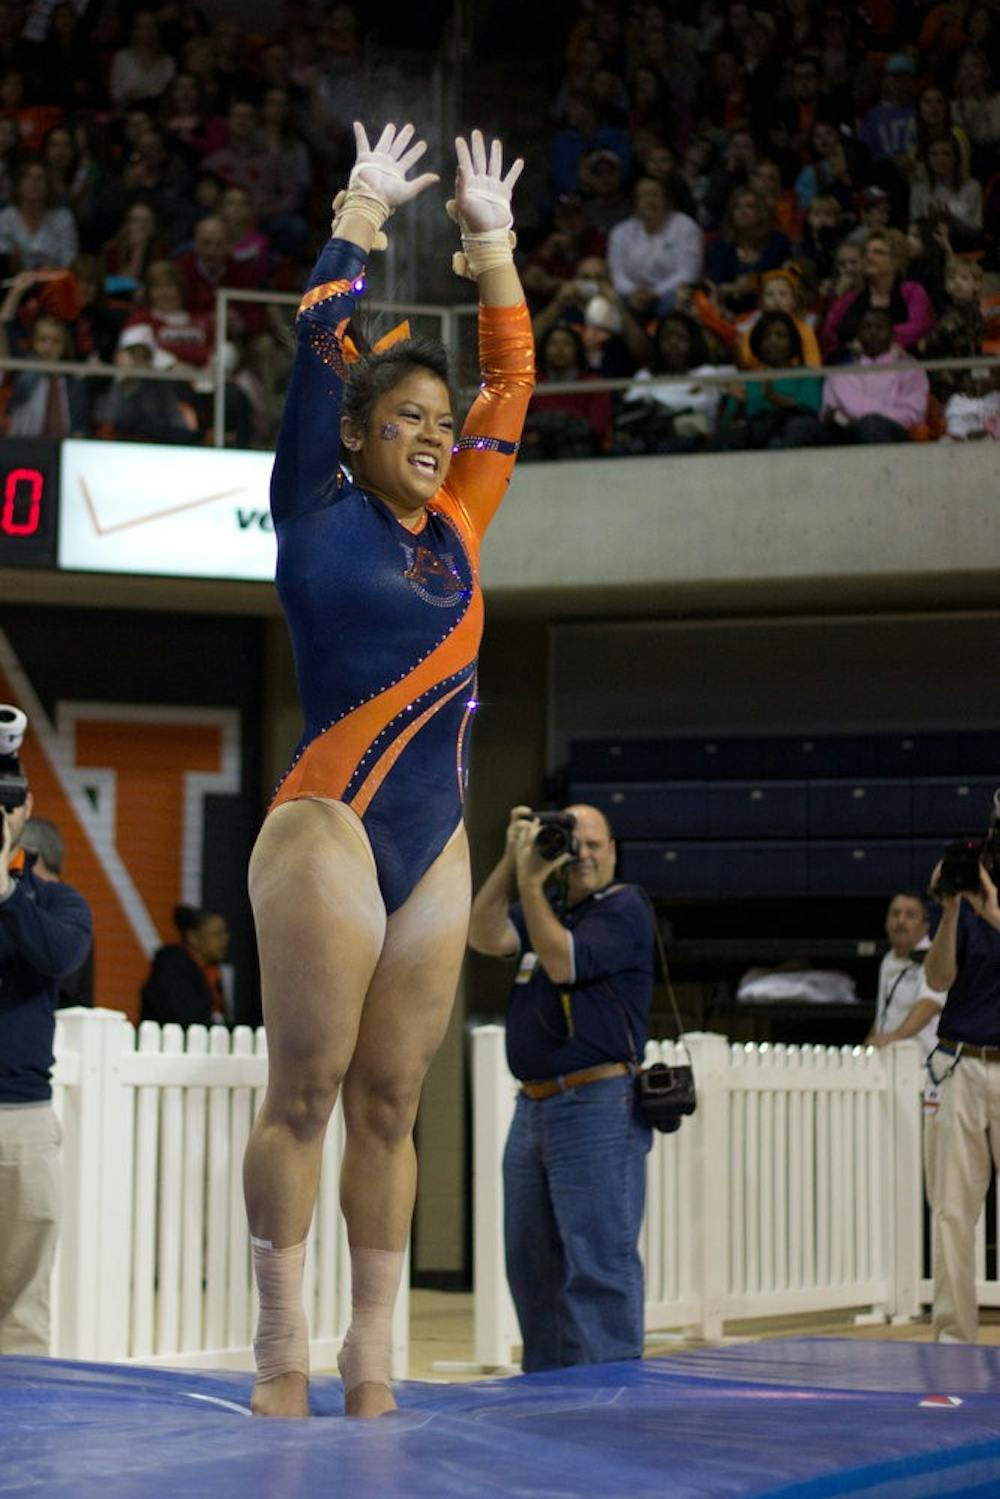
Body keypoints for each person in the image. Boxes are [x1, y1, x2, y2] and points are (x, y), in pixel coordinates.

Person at [241, 121, 533, 1421]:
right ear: (354, 437)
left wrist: (492, 245)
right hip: (328, 822)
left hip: (435, 837)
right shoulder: (312, 504)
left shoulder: (461, 520)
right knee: (303, 1086)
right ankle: (278, 1345)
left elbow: (512, 379)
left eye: (439, 419)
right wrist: (359, 210)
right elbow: (314, 342)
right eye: (404, 417)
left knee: (392, 1098)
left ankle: (373, 1353)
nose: (431, 433)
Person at [468, 804, 654, 1373]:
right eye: (573, 843)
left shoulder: (624, 907)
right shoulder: (540, 906)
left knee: (597, 1261)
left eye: (595, 844)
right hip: (535, 1106)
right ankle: (547, 1394)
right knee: (530, 1264)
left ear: (613, 850)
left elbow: (565, 963)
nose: (584, 855)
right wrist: (511, 858)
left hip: (598, 1104)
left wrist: (529, 880)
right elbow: (480, 933)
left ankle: (610, 1394)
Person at [0, 722, 93, 1354]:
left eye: (4, 806)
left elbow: (57, 957)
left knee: (23, 1301)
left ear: (26, 810)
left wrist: (4, 888)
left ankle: (23, 1441)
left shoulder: (56, 904)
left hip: (22, 1119)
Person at [922, 848, 1000, 1342]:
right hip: (962, 1060)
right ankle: (953, 1339)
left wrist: (994, 913)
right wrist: (951, 910)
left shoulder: (988, 906)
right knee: (952, 1209)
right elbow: (937, 978)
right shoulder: (965, 901)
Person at [607, 175, 703, 319]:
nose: (650, 201)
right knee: (604, 304)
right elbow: (617, 274)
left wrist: (655, 293)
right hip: (631, 296)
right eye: (644, 195)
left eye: (655, 194)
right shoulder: (620, 232)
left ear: (666, 199)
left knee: (677, 300)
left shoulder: (685, 227)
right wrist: (633, 292)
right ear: (635, 201)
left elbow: (688, 272)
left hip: (668, 294)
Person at [865, 890, 943, 1061]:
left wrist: (894, 1037)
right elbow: (884, 1011)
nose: (901, 921)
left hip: (922, 1062)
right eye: (895, 914)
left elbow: (929, 1005)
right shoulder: (888, 960)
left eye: (910, 915)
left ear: (925, 925)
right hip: (887, 1059)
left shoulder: (934, 958)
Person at [140, 903, 230, 1026]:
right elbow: (186, 1016)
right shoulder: (170, 969)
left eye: (225, 933)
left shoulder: (212, 971)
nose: (225, 939)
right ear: (193, 937)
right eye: (217, 934)